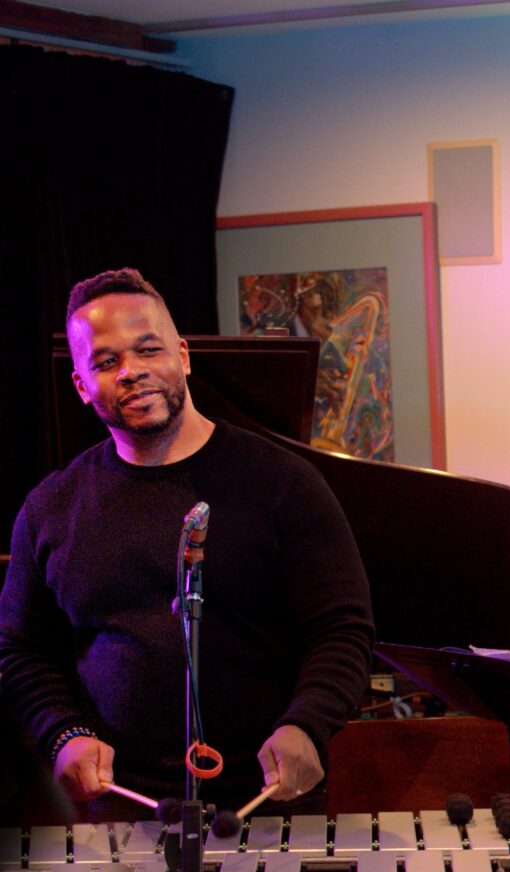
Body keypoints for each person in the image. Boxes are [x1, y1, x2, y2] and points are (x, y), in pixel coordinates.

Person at [0, 268, 375, 821]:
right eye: (106, 362)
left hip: (267, 800)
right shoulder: (50, 509)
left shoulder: (284, 483)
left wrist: (307, 723)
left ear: (182, 354)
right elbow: (20, 650)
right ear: (81, 385)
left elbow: (342, 628)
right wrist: (64, 733)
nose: (132, 372)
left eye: (147, 349)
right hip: (121, 808)